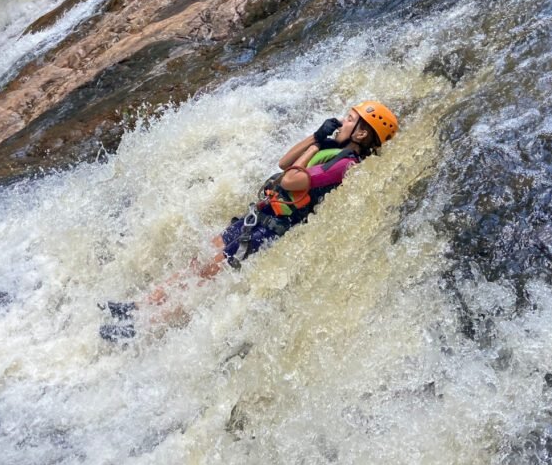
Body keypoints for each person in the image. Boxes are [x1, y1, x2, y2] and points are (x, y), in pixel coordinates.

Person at [99, 102, 400, 342]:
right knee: (198, 262)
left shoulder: (344, 164)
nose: (342, 121)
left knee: (207, 273)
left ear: (361, 134)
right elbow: (284, 162)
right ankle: (139, 307)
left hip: (269, 230)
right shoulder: (330, 149)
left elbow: (291, 180)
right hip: (258, 216)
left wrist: (316, 147)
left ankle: (143, 329)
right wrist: (315, 138)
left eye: (350, 119)